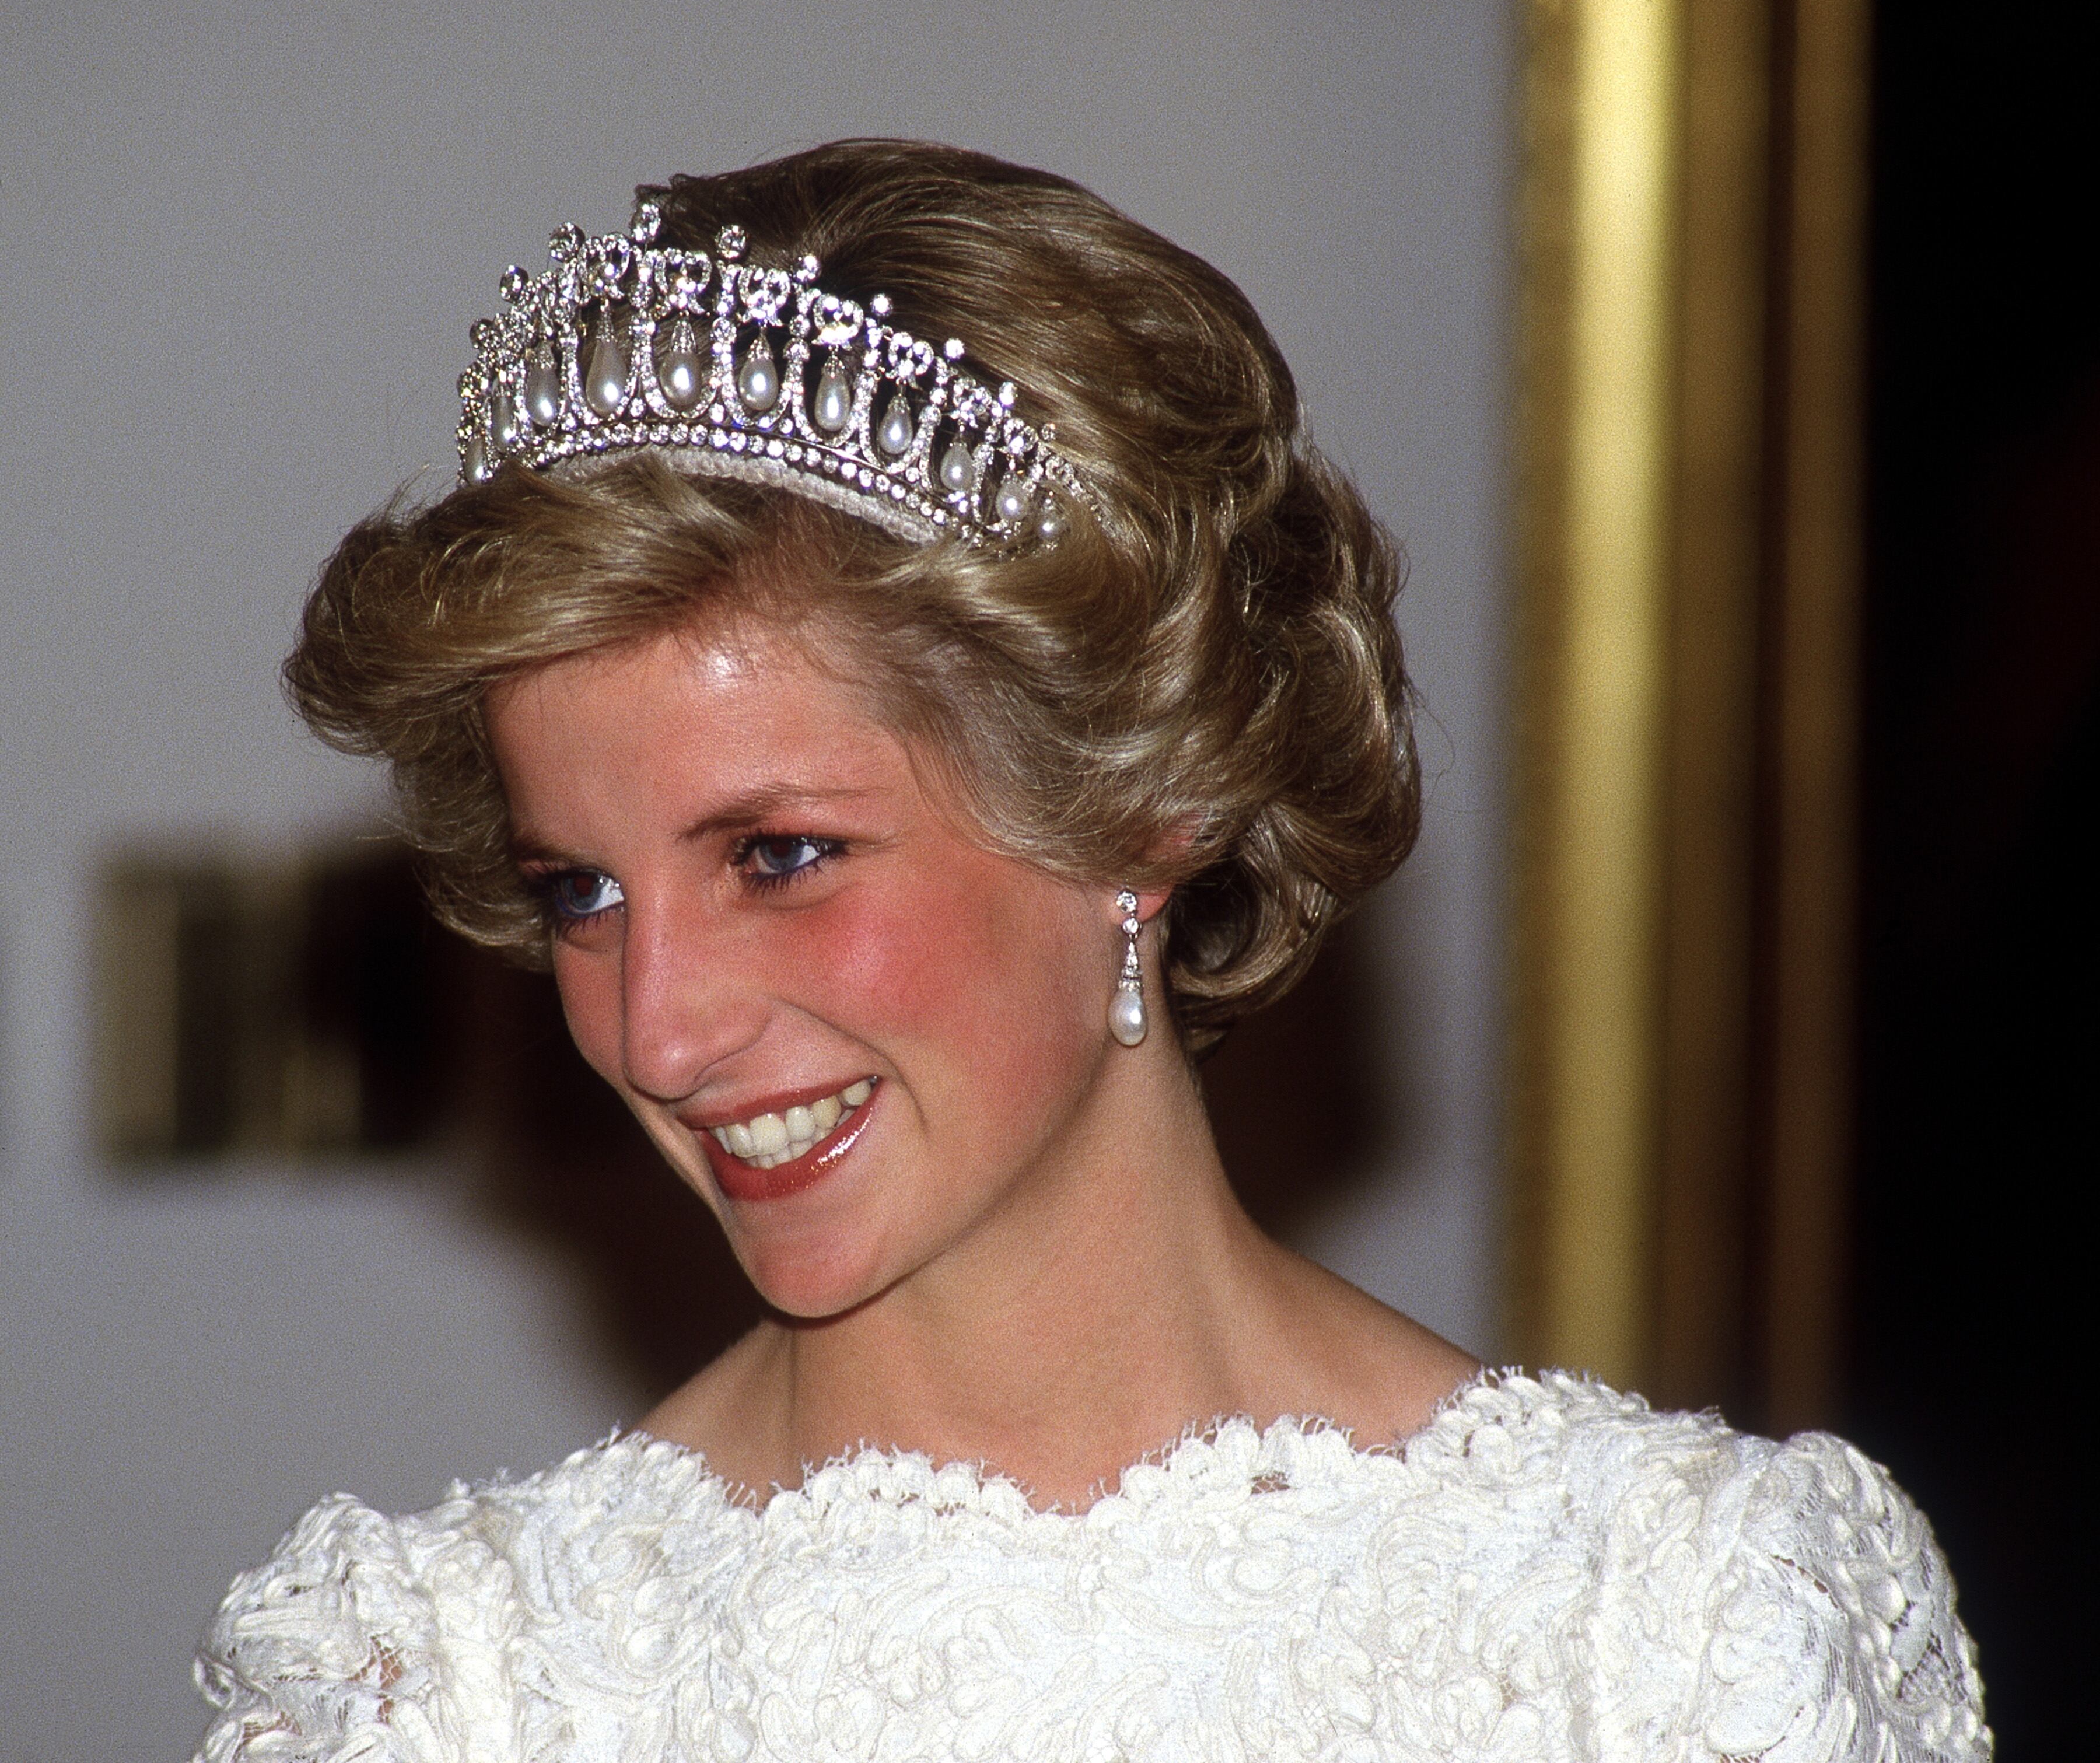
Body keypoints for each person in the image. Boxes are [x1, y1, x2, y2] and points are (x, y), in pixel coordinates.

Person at [192, 142, 1988, 1762]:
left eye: (779, 855)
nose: (658, 1031)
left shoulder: (1673, 1639)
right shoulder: (443, 1690)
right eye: (582, 892)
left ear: (1148, 802)